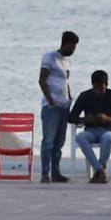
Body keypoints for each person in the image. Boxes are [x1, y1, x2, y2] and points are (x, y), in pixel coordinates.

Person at [70, 69, 111, 184]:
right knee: (80, 137)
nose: (99, 92)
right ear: (92, 85)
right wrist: (86, 119)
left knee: (107, 138)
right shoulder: (85, 96)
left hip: (108, 130)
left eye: (101, 89)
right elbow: (71, 118)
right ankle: (100, 171)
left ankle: (98, 171)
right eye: (96, 89)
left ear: (107, 85)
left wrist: (108, 119)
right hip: (91, 131)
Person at [38, 30, 78, 184]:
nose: (73, 50)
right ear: (65, 43)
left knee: (59, 143)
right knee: (48, 141)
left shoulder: (67, 61)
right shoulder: (49, 58)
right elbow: (42, 80)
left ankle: (56, 172)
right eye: (72, 46)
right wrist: (51, 101)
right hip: (51, 106)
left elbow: (65, 81)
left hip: (64, 106)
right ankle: (45, 173)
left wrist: (69, 96)